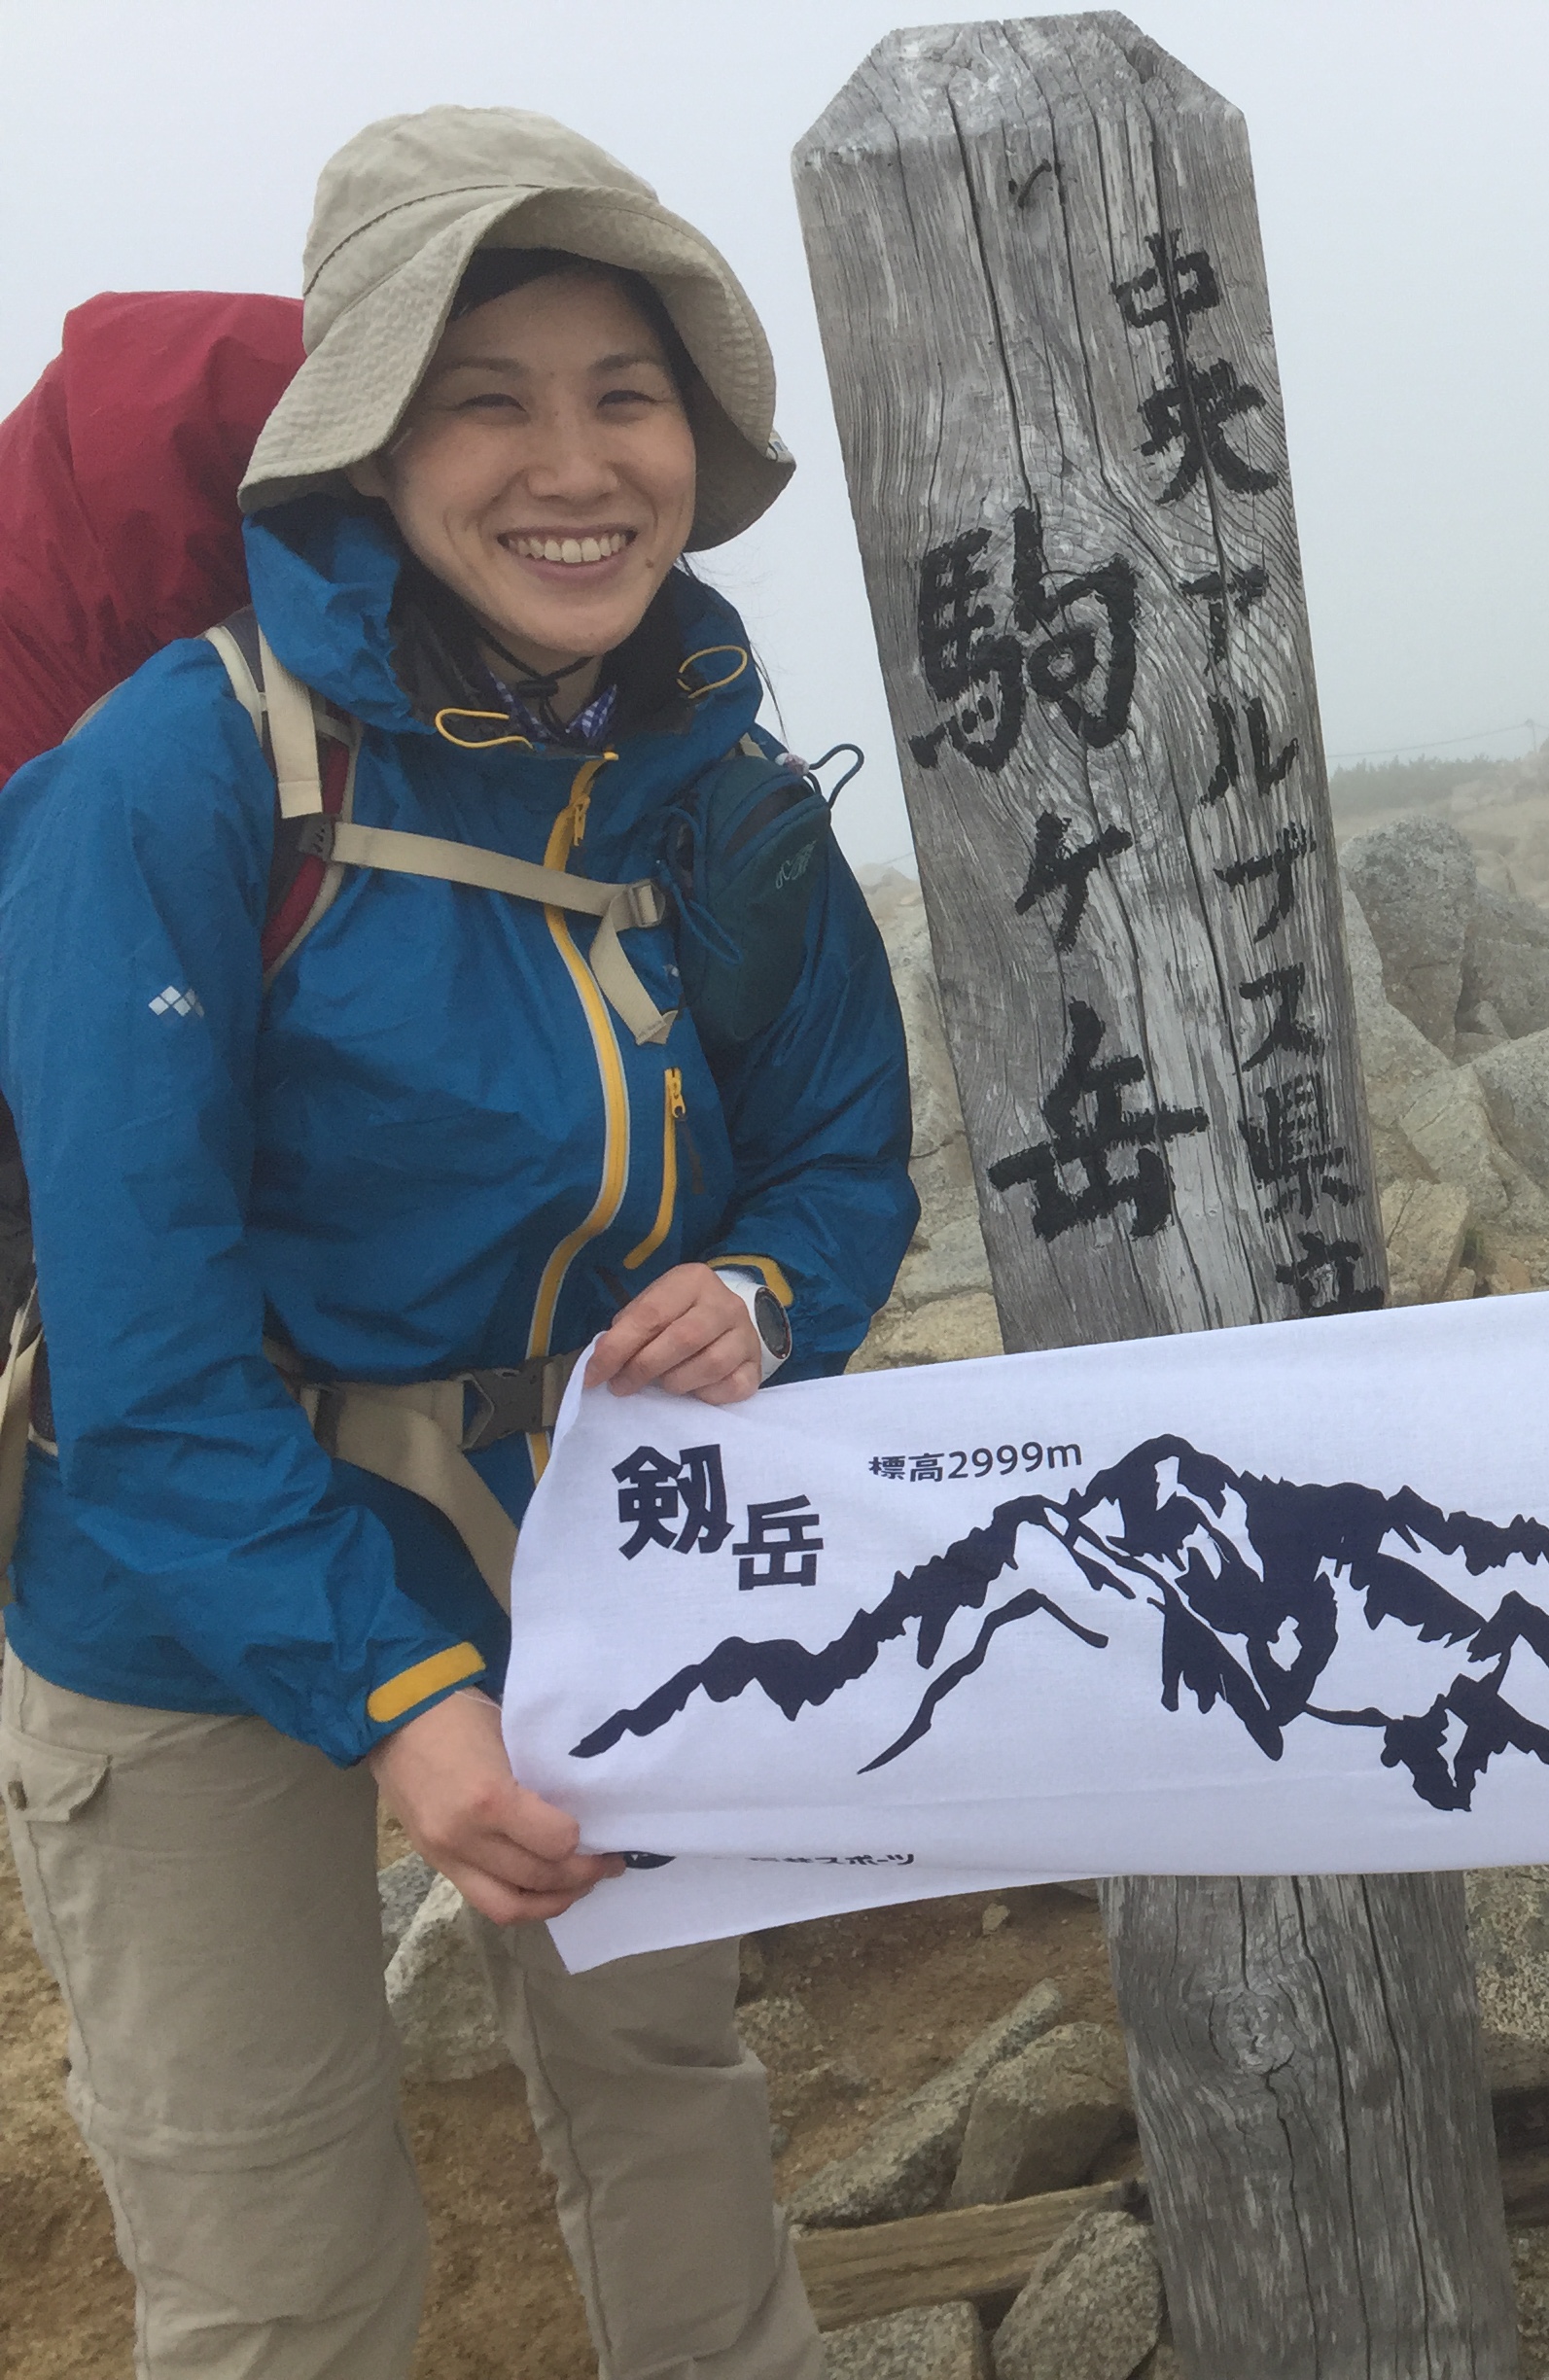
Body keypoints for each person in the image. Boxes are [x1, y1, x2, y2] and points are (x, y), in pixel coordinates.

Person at [0, 108, 915, 2378]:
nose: (574, 464)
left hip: (588, 1550)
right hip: (183, 1585)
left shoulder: (712, 786)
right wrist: (400, 1694)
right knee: (278, 2263)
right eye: (486, 398)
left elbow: (839, 1158)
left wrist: (766, 1296)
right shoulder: (172, 777)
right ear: (370, 442)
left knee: (674, 2115)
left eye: (628, 396)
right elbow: (142, 1350)